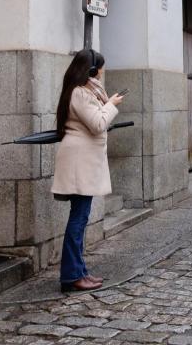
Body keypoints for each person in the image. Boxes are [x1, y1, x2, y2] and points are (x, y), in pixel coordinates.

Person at [51, 48, 125, 292]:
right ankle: (72, 276)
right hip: (79, 162)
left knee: (80, 219)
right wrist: (112, 104)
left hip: (83, 160)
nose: (102, 73)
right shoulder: (80, 93)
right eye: (100, 68)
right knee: (78, 219)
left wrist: (107, 102)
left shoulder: (86, 91)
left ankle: (79, 271)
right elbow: (97, 124)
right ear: (91, 70)